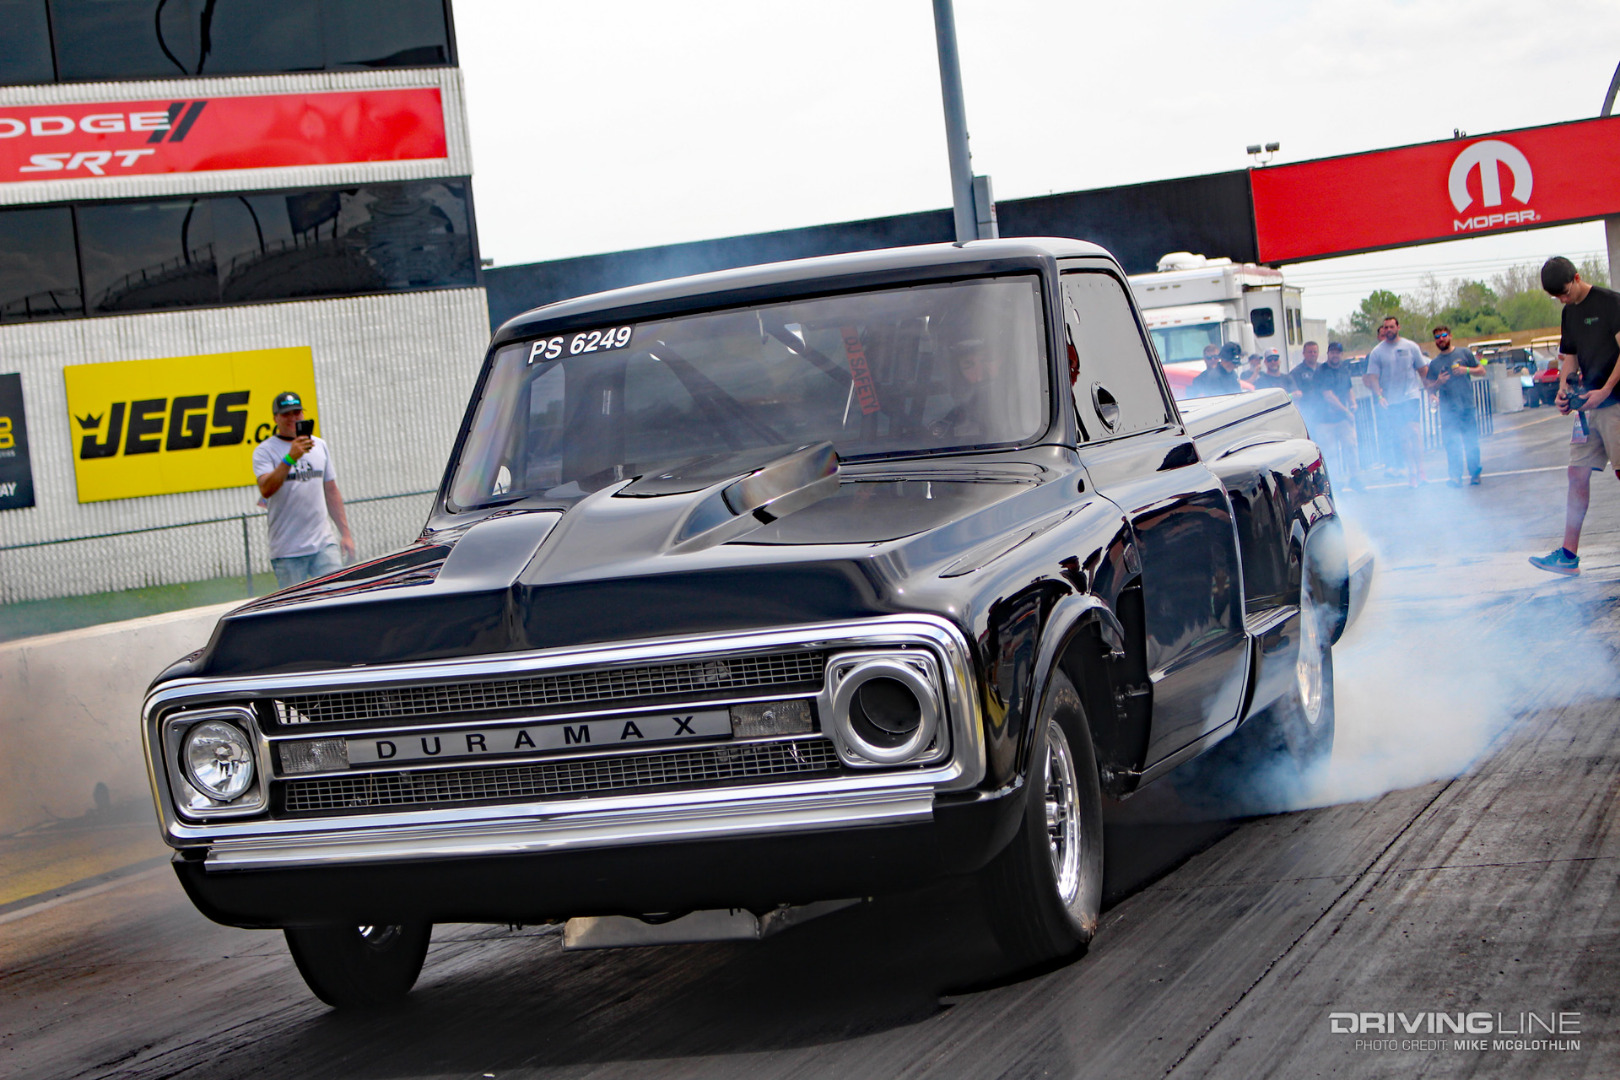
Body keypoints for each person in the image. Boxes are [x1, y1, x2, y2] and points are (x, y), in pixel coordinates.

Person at [1528, 256, 1620, 576]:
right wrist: (1564, 389)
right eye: (1557, 298)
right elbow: (1570, 356)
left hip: (1615, 403)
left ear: (1577, 277)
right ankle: (1568, 556)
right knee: (1576, 474)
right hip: (1586, 408)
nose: (1563, 300)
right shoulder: (1570, 313)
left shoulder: (1611, 303)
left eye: (1565, 293)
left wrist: (1606, 390)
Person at [253, 390, 356, 588]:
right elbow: (266, 489)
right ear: (275, 418)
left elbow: (331, 490)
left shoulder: (319, 445)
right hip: (288, 551)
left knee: (337, 598)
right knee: (294, 610)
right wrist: (290, 458)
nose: (293, 418)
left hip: (323, 544)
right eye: (286, 414)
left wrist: (345, 533)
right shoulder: (265, 450)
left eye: (297, 412)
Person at [1362, 315, 1428, 485]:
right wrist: (1379, 396)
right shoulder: (1377, 352)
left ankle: (1421, 470)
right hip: (1392, 400)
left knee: (1414, 431)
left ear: (1398, 327)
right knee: (1404, 436)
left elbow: (1423, 370)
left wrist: (1431, 391)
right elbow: (1373, 377)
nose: (1388, 330)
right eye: (1386, 327)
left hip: (1410, 396)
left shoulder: (1411, 346)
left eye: (1391, 327)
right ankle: (1411, 471)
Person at [1424, 326, 1483, 487]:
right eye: (1437, 337)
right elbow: (1428, 386)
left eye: (1443, 335)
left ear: (1450, 336)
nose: (1441, 339)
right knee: (1451, 443)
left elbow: (1481, 370)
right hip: (1448, 410)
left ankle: (1475, 473)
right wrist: (1438, 382)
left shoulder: (1464, 353)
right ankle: (1455, 477)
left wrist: (1466, 370)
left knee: (1471, 441)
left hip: (1467, 405)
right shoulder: (1435, 363)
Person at [1315, 342, 1363, 492]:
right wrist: (1347, 412)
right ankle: (1334, 483)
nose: (1335, 355)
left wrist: (1353, 403)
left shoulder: (1344, 369)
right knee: (1330, 453)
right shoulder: (1321, 371)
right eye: (1332, 352)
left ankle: (1355, 479)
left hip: (1342, 419)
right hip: (1325, 420)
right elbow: (1328, 396)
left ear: (1341, 354)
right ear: (1328, 354)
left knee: (1351, 447)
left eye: (1338, 352)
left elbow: (1349, 389)